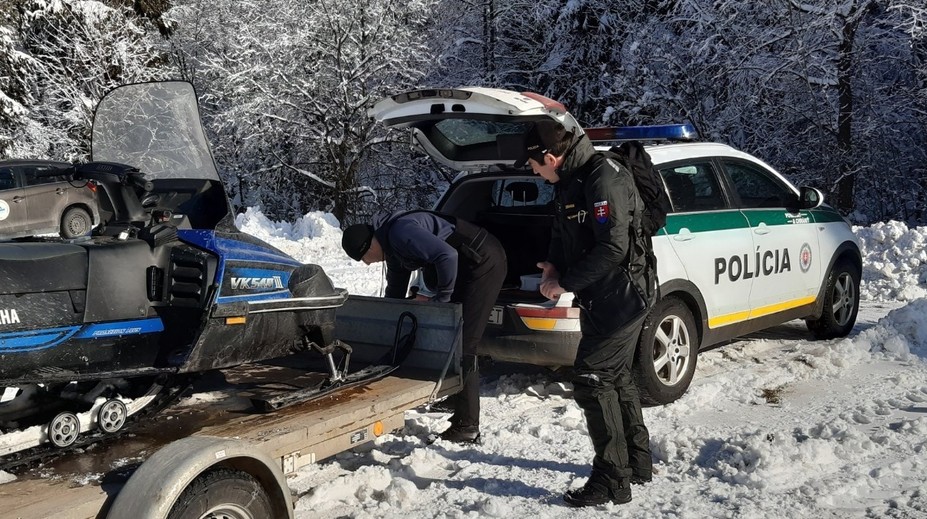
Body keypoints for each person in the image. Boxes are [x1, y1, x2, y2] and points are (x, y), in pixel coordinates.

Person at [517, 120, 655, 507]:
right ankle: (635, 462)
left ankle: (612, 479)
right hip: (603, 296)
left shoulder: (601, 179)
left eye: (534, 165)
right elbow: (566, 234)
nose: (533, 172)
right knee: (616, 376)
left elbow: (613, 247)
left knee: (593, 379)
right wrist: (554, 268)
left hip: (624, 295)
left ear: (549, 157)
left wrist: (567, 282)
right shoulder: (570, 181)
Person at [341, 210, 506, 443]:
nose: (368, 264)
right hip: (466, 264)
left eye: (364, 259)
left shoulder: (400, 232)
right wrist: (384, 322)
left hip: (483, 261)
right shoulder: (392, 248)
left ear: (368, 247)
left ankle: (467, 426)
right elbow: (395, 291)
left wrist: (442, 300)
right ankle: (456, 394)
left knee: (463, 340)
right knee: (452, 335)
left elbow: (447, 255)